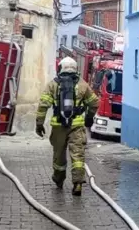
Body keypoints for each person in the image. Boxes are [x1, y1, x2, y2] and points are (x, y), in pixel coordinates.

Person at [35, 57, 99, 196]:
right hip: (77, 126)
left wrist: (39, 123)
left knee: (59, 156)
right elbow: (94, 102)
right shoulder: (83, 85)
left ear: (60, 68)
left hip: (58, 127)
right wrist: (89, 117)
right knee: (77, 155)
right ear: (75, 68)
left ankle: (59, 180)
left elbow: (43, 105)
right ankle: (77, 183)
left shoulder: (53, 84)